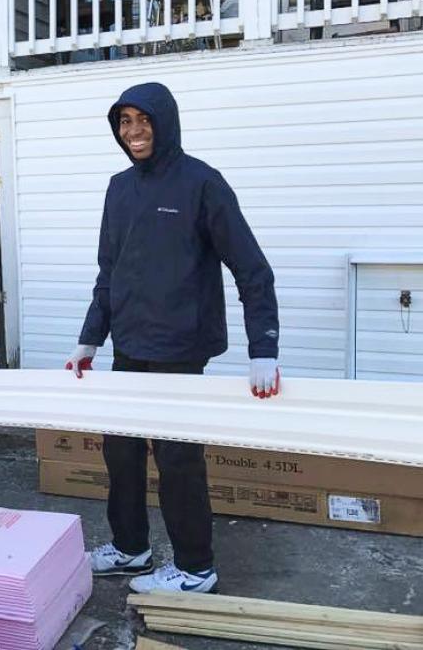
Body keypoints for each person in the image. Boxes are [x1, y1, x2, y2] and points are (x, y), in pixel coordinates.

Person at [65, 82, 281, 595]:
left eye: (144, 120)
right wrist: (90, 338)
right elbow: (108, 272)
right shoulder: (119, 189)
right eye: (124, 122)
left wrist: (264, 349)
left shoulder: (202, 184)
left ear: (165, 122)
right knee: (120, 451)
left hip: (181, 350)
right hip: (130, 347)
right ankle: (130, 547)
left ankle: (195, 567)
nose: (134, 132)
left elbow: (252, 269)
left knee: (178, 460)